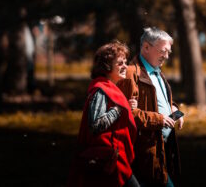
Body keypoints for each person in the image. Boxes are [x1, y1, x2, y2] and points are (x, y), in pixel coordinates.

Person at [117, 27, 184, 187]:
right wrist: (160, 119)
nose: (166, 56)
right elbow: (127, 113)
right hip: (144, 152)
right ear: (146, 47)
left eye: (169, 52)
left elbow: (159, 100)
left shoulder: (157, 71)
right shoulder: (131, 73)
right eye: (163, 51)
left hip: (163, 149)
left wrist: (174, 109)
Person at [68, 41, 139, 187]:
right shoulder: (101, 89)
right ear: (107, 67)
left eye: (125, 62)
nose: (125, 66)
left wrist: (126, 108)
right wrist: (119, 109)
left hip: (115, 159)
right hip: (108, 161)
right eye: (120, 63)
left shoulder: (110, 88)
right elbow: (96, 125)